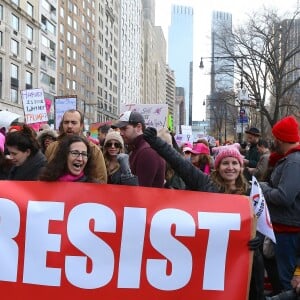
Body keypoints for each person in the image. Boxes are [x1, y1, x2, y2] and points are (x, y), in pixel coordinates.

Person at [143, 126, 264, 300]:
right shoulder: (205, 183)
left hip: (242, 261)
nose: (230, 168)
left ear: (240, 166)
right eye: (225, 163)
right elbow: (179, 162)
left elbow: (263, 223)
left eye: (234, 163)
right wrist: (156, 142)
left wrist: (258, 237)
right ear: (218, 166)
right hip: (211, 260)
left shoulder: (252, 191)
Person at [259, 116, 300, 291]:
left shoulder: (294, 162)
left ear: (281, 138)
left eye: (275, 136)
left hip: (288, 231)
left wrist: (263, 188)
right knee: (280, 276)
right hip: (282, 228)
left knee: (286, 281)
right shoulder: (288, 160)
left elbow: (284, 196)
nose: (272, 140)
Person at [45, 109, 107, 183]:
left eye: (74, 123)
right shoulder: (52, 147)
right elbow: (45, 175)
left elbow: (101, 180)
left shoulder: (94, 150)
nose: (69, 126)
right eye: (66, 122)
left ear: (81, 126)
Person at [112, 111, 165, 188]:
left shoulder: (147, 152)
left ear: (138, 127)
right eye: (120, 129)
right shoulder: (137, 149)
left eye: (124, 128)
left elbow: (141, 191)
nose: (121, 133)